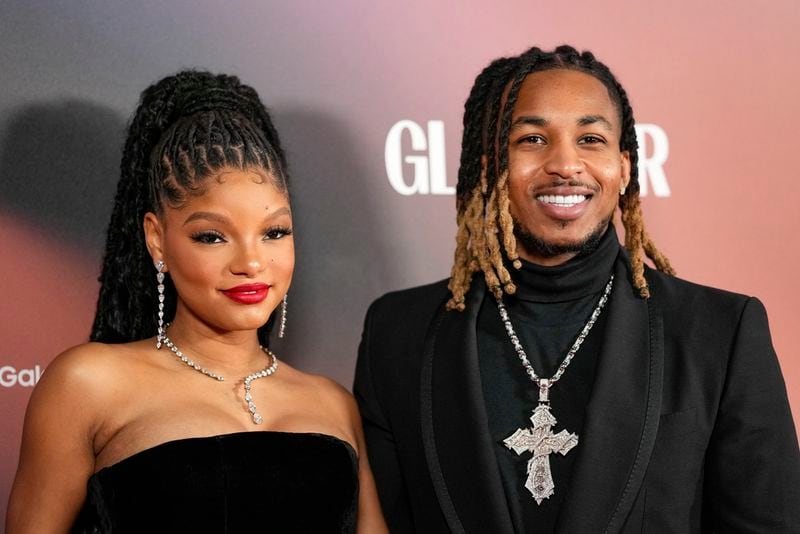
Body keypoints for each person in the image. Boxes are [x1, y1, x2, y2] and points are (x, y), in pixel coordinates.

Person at [354, 45, 800, 533]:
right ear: (489, 166)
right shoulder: (398, 334)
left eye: (590, 138)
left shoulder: (719, 332)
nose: (565, 164)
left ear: (625, 167)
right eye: (531, 139)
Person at [7, 71, 387, 533]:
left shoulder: (334, 404)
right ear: (157, 240)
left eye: (274, 232)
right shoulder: (87, 384)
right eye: (212, 236)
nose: (251, 262)